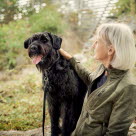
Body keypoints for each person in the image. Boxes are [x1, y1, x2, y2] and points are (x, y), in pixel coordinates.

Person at [59, 23, 136, 136]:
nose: (93, 46)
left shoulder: (128, 88)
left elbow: (115, 133)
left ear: (110, 50)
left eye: (97, 42)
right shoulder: (104, 68)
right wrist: (71, 59)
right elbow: (92, 80)